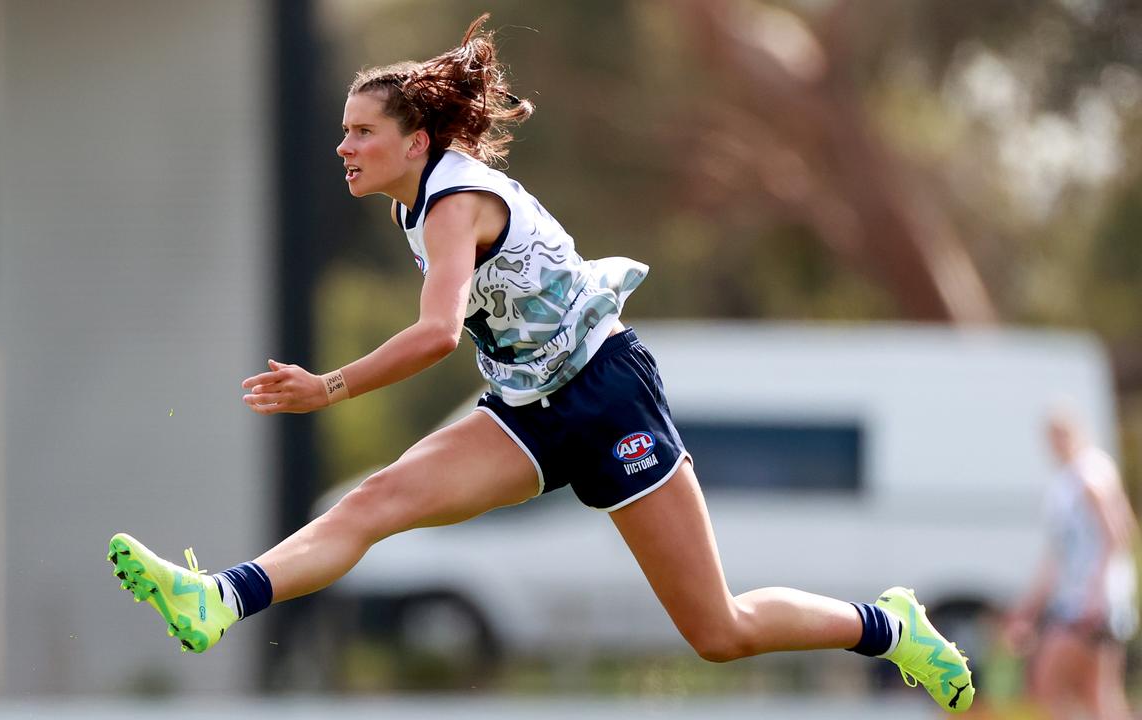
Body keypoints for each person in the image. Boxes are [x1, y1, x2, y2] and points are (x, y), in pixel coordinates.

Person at [107, 15, 973, 712]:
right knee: (374, 501)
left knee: (720, 629)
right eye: (343, 132)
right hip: (528, 413)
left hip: (608, 398)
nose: (344, 147)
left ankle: (888, 626)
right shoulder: (415, 203)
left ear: (417, 142)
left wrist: (328, 387)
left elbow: (437, 334)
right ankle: (220, 597)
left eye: (361, 132)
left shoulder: (450, 201)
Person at [1004, 409, 1138, 719]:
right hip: (1081, 602)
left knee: (1048, 679)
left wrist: (1097, 594)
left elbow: (1118, 533)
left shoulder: (1089, 474)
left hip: (1091, 605)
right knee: (1097, 692)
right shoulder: (1067, 482)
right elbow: (1057, 558)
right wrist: (1029, 608)